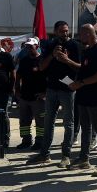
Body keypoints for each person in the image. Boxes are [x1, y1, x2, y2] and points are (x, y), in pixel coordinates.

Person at [27, 21, 81, 166]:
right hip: (51, 89)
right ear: (56, 31)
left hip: (67, 90)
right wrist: (52, 55)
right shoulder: (50, 45)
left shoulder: (75, 45)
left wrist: (66, 59)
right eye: (62, 31)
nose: (65, 33)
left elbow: (80, 68)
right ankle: (44, 154)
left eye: (66, 31)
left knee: (68, 123)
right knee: (48, 121)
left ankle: (66, 155)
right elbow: (41, 66)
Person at [69, 24, 97, 175]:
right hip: (83, 96)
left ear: (89, 34)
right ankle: (83, 159)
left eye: (81, 34)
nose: (80, 37)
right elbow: (84, 70)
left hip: (96, 97)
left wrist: (80, 83)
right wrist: (75, 83)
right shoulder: (86, 50)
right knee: (85, 129)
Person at [14, 38, 46, 149]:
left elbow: (49, 78)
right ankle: (26, 140)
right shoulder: (24, 60)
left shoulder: (43, 60)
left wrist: (45, 93)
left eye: (31, 46)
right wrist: (17, 89)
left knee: (40, 122)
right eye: (27, 46)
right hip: (24, 96)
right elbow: (18, 75)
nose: (28, 48)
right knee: (23, 121)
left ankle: (40, 142)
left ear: (37, 47)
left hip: (38, 97)